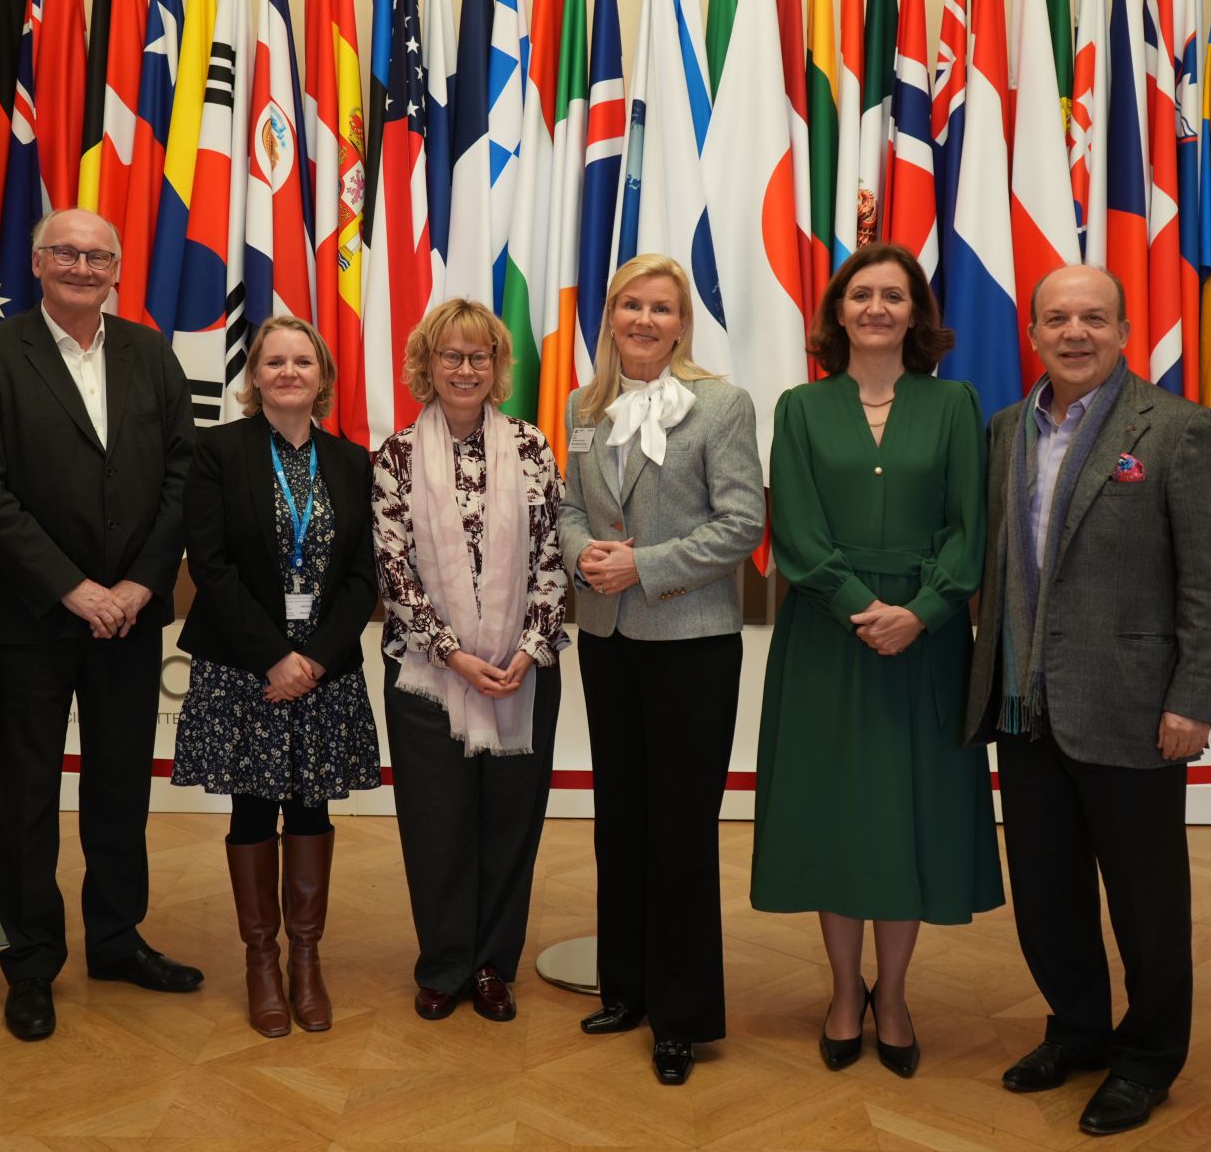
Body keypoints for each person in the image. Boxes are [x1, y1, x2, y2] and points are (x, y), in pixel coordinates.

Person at [962, 264, 1211, 1136]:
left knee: (1147, 904)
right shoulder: (1006, 429)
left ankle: (1148, 1057)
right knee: (1047, 895)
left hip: (1133, 709)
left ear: (1123, 329)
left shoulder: (1178, 430)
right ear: (1035, 334)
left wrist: (1192, 700)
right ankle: (1077, 1029)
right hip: (1025, 706)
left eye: (1093, 317)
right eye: (1058, 318)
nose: (1074, 332)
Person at [751, 243, 1002, 1079]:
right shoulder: (799, 406)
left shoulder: (957, 403)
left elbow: (973, 529)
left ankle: (892, 994)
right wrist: (865, 608)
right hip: (829, 637)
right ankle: (842, 991)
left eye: (895, 295)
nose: (878, 308)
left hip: (926, 643)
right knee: (838, 812)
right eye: (863, 294)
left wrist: (924, 611)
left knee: (910, 814)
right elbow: (797, 536)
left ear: (917, 313)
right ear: (839, 311)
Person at [0, 208, 200, 1043]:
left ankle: (115, 937)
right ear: (36, 262)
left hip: (130, 618)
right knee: (27, 794)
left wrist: (137, 584)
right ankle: (30, 961)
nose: (82, 265)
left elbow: (181, 476)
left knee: (119, 786)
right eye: (66, 251)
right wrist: (74, 588)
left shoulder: (150, 351)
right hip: (32, 615)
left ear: (118, 269)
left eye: (99, 254)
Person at [559, 255, 765, 1087]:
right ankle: (628, 988)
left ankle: (681, 1017)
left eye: (662, 307)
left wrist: (641, 566)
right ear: (610, 316)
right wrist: (588, 558)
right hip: (607, 636)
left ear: (683, 322)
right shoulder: (584, 404)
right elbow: (571, 507)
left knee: (680, 833)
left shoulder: (720, 404)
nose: (645, 319)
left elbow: (742, 524)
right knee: (621, 822)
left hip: (690, 641)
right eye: (631, 305)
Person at [171, 315, 380, 1038]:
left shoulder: (353, 461)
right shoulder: (217, 450)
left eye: (302, 361)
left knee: (312, 808)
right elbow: (211, 565)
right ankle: (262, 962)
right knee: (255, 810)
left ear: (322, 377)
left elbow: (362, 575)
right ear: (253, 376)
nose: (289, 372)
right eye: (274, 361)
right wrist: (275, 656)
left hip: (323, 668)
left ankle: (306, 962)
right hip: (245, 666)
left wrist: (315, 656)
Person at [371, 298, 569, 1028]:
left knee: (510, 824)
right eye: (450, 355)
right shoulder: (394, 455)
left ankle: (492, 965)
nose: (464, 368)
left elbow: (553, 560)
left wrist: (525, 650)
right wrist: (453, 653)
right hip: (429, 677)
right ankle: (444, 962)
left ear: (497, 368)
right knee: (436, 825)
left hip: (522, 672)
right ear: (426, 365)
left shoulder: (531, 446)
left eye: (478, 356)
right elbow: (394, 573)